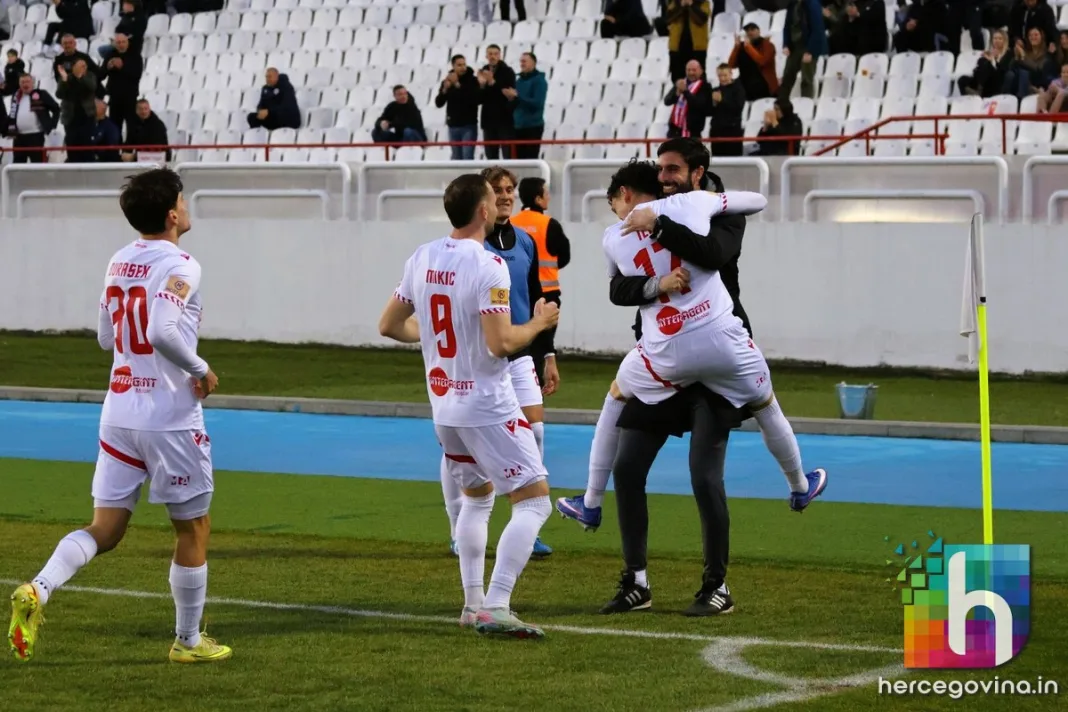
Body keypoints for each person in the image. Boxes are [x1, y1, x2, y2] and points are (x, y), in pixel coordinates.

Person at [8, 168, 230, 665]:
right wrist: (201, 368)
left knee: (105, 528)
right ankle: (188, 641)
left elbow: (108, 339)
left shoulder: (120, 259)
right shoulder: (183, 264)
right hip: (169, 417)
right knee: (192, 528)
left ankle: (39, 589)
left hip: (119, 411)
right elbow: (161, 330)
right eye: (183, 200)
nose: (187, 207)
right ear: (173, 214)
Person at [558, 140, 827, 534]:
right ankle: (799, 486)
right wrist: (711, 202)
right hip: (722, 339)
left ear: (625, 195)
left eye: (672, 169)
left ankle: (592, 502)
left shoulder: (613, 236)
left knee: (617, 395)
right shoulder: (696, 204)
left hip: (664, 351)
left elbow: (618, 288)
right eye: (661, 171)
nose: (666, 178)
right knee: (766, 402)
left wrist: (655, 267)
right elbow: (756, 200)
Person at [377, 173, 559, 639]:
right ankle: (497, 604)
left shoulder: (422, 256)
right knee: (535, 502)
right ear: (482, 211)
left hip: (444, 407)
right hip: (487, 404)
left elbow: (389, 325)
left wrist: (438, 339)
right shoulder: (488, 264)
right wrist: (538, 324)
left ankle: (472, 604)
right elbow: (501, 344)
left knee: (477, 501)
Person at [440, 166, 553, 559]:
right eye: (498, 190)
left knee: (534, 431)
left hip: (519, 352)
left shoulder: (523, 241)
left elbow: (537, 294)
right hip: (478, 356)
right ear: (484, 201)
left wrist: (547, 353)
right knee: (461, 450)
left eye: (511, 189)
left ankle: (524, 517)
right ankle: (459, 524)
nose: (506, 195)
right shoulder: (472, 248)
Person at [510, 176, 570, 391]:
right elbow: (564, 256)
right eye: (546, 193)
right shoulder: (549, 224)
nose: (549, 197)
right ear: (537, 198)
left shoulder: (511, 222)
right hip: (548, 293)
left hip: (517, 294)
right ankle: (534, 396)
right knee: (541, 348)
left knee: (516, 346)